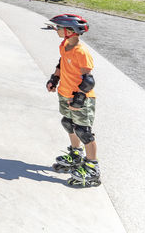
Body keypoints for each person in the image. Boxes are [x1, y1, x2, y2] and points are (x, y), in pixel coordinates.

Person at [46, 13, 100, 187]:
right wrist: (54, 79)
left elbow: (88, 80)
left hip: (81, 98)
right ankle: (76, 154)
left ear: (70, 31)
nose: (57, 30)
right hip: (64, 93)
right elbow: (62, 64)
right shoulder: (65, 45)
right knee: (68, 124)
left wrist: (79, 98)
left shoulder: (81, 51)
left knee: (83, 131)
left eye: (59, 27)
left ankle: (92, 167)